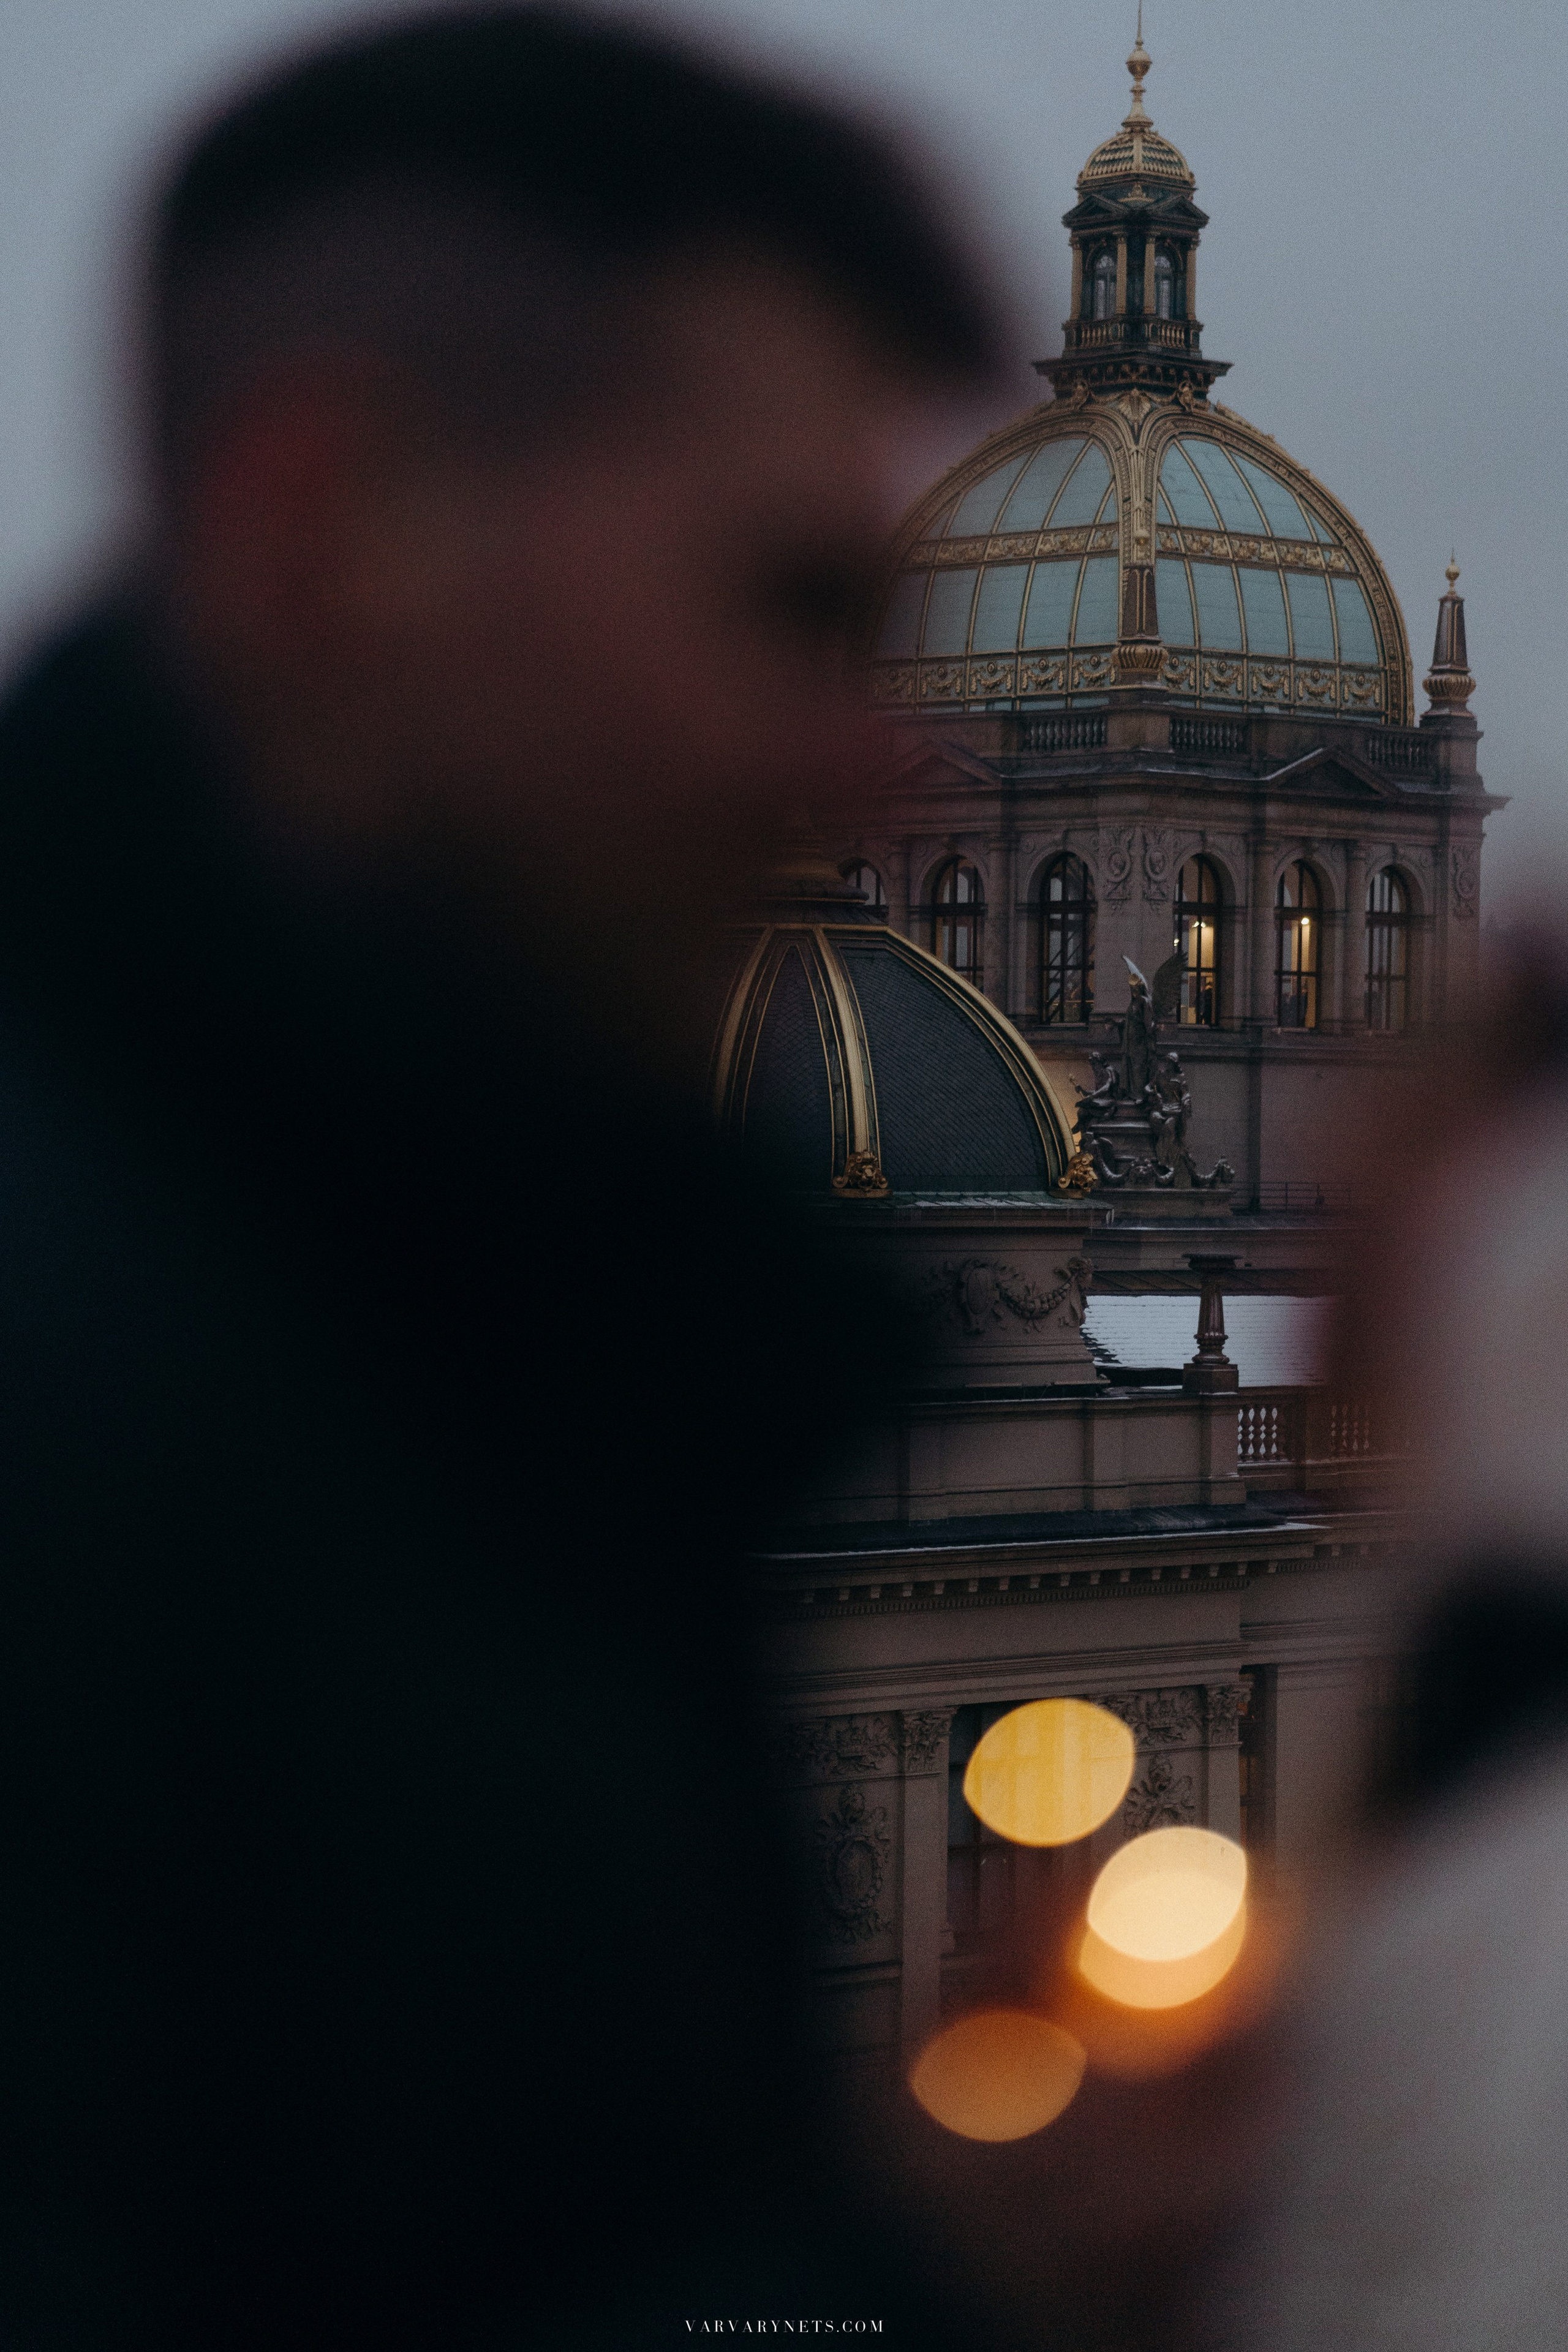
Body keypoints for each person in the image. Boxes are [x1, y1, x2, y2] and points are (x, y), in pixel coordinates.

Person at [0, 10, 998, 2343]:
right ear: (329, 529)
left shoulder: (525, 1326)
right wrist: (909, 2297)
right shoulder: (118, 1377)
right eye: (793, 605)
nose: (903, 768)